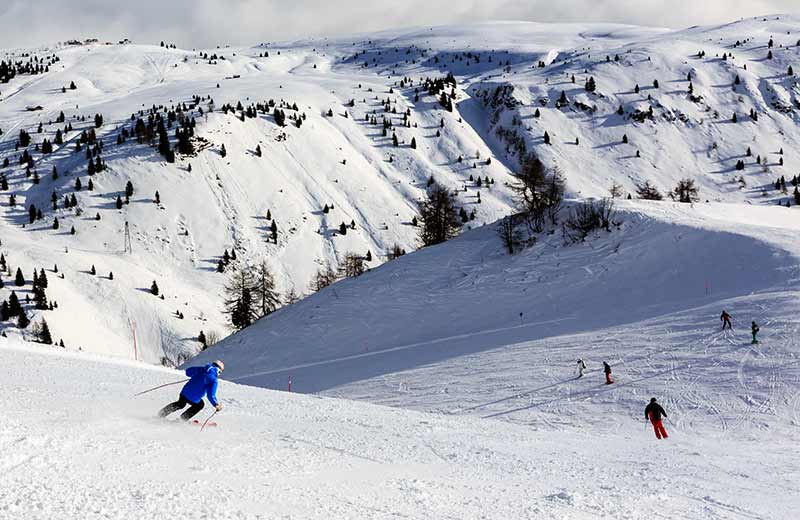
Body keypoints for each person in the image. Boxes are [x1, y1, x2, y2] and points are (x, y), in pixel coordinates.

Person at [159, 360, 224, 421]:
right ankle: (182, 419)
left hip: (184, 393)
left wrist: (196, 375)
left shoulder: (201, 369)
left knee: (180, 404)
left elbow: (188, 372)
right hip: (194, 398)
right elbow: (210, 395)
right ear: (218, 371)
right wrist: (216, 404)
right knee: (200, 405)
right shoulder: (214, 380)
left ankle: (161, 414)